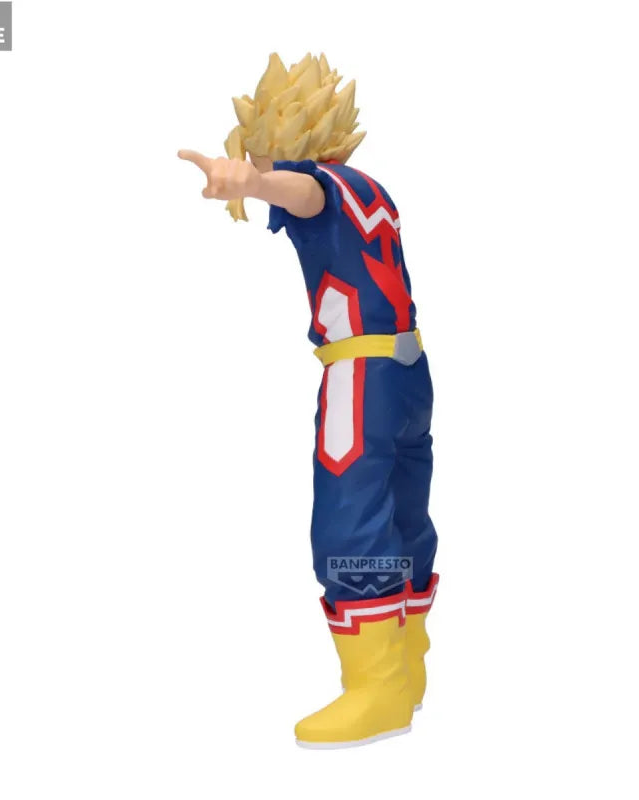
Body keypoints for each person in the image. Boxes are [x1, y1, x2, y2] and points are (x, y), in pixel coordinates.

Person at [178, 52, 439, 749]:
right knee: (404, 514)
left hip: (361, 374)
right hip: (410, 370)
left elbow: (301, 192)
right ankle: (406, 669)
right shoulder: (370, 187)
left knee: (351, 519)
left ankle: (377, 686)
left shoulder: (316, 183)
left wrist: (253, 180)